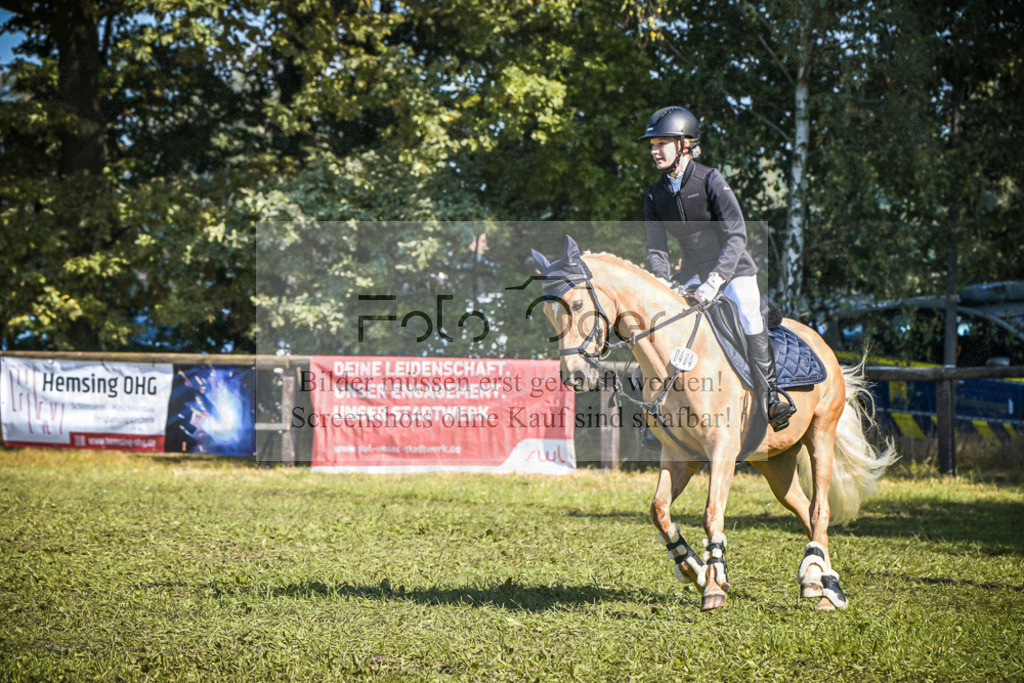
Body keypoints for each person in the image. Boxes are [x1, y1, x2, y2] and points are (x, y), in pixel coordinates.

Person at [638, 106, 795, 432]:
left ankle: (771, 398)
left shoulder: (710, 179)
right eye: (651, 145)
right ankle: (661, 412)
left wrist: (715, 280)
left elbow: (737, 234)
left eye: (661, 143)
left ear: (683, 144)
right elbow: (656, 249)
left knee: (750, 315)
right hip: (691, 270)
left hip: (733, 268)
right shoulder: (655, 194)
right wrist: (662, 283)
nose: (654, 150)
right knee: (659, 322)